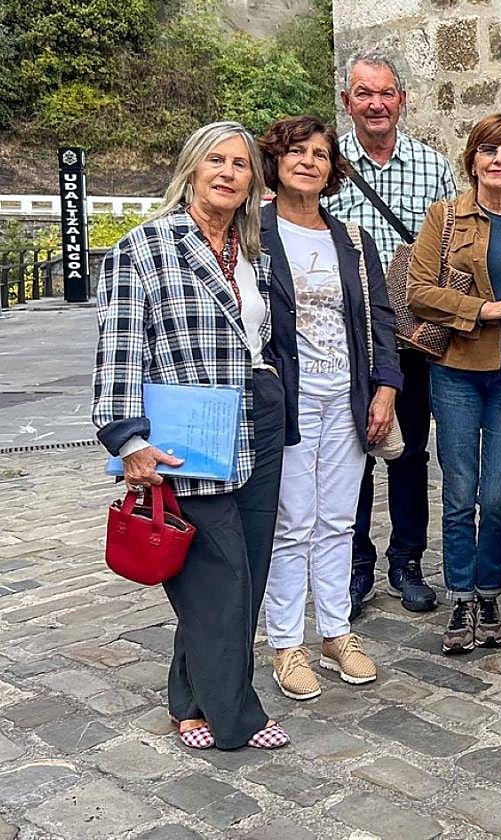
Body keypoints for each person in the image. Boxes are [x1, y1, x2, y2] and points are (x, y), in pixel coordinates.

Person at [93, 121, 289, 751]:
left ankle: (189, 699)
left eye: (241, 164)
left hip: (257, 417)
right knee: (218, 576)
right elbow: (119, 351)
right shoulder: (145, 247)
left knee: (247, 572)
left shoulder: (250, 250)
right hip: (189, 429)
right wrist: (129, 440)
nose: (229, 173)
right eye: (216, 161)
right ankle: (236, 717)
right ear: (192, 169)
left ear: (253, 181)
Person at [259, 116, 404, 700]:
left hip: (348, 396)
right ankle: (286, 643)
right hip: (288, 399)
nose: (308, 162)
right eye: (296, 152)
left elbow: (381, 318)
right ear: (276, 162)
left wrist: (386, 387)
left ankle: (337, 633)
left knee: (340, 520)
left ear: (331, 169)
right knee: (293, 522)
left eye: (320, 154)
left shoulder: (352, 239)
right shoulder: (255, 233)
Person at [406, 114, 501, 655]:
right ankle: (461, 597)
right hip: (456, 369)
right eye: (489, 150)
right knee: (459, 489)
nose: (499, 160)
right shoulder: (445, 216)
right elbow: (419, 291)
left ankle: (490, 593)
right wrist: (485, 309)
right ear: (472, 159)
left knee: (496, 492)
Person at [325, 51, 458, 620]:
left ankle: (407, 561)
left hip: (413, 337)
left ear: (402, 100)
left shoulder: (434, 167)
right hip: (346, 338)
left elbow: (452, 246)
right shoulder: (327, 165)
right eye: (364, 93)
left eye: (385, 93)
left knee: (411, 454)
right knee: (350, 452)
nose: (376, 104)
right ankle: (355, 565)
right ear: (347, 101)